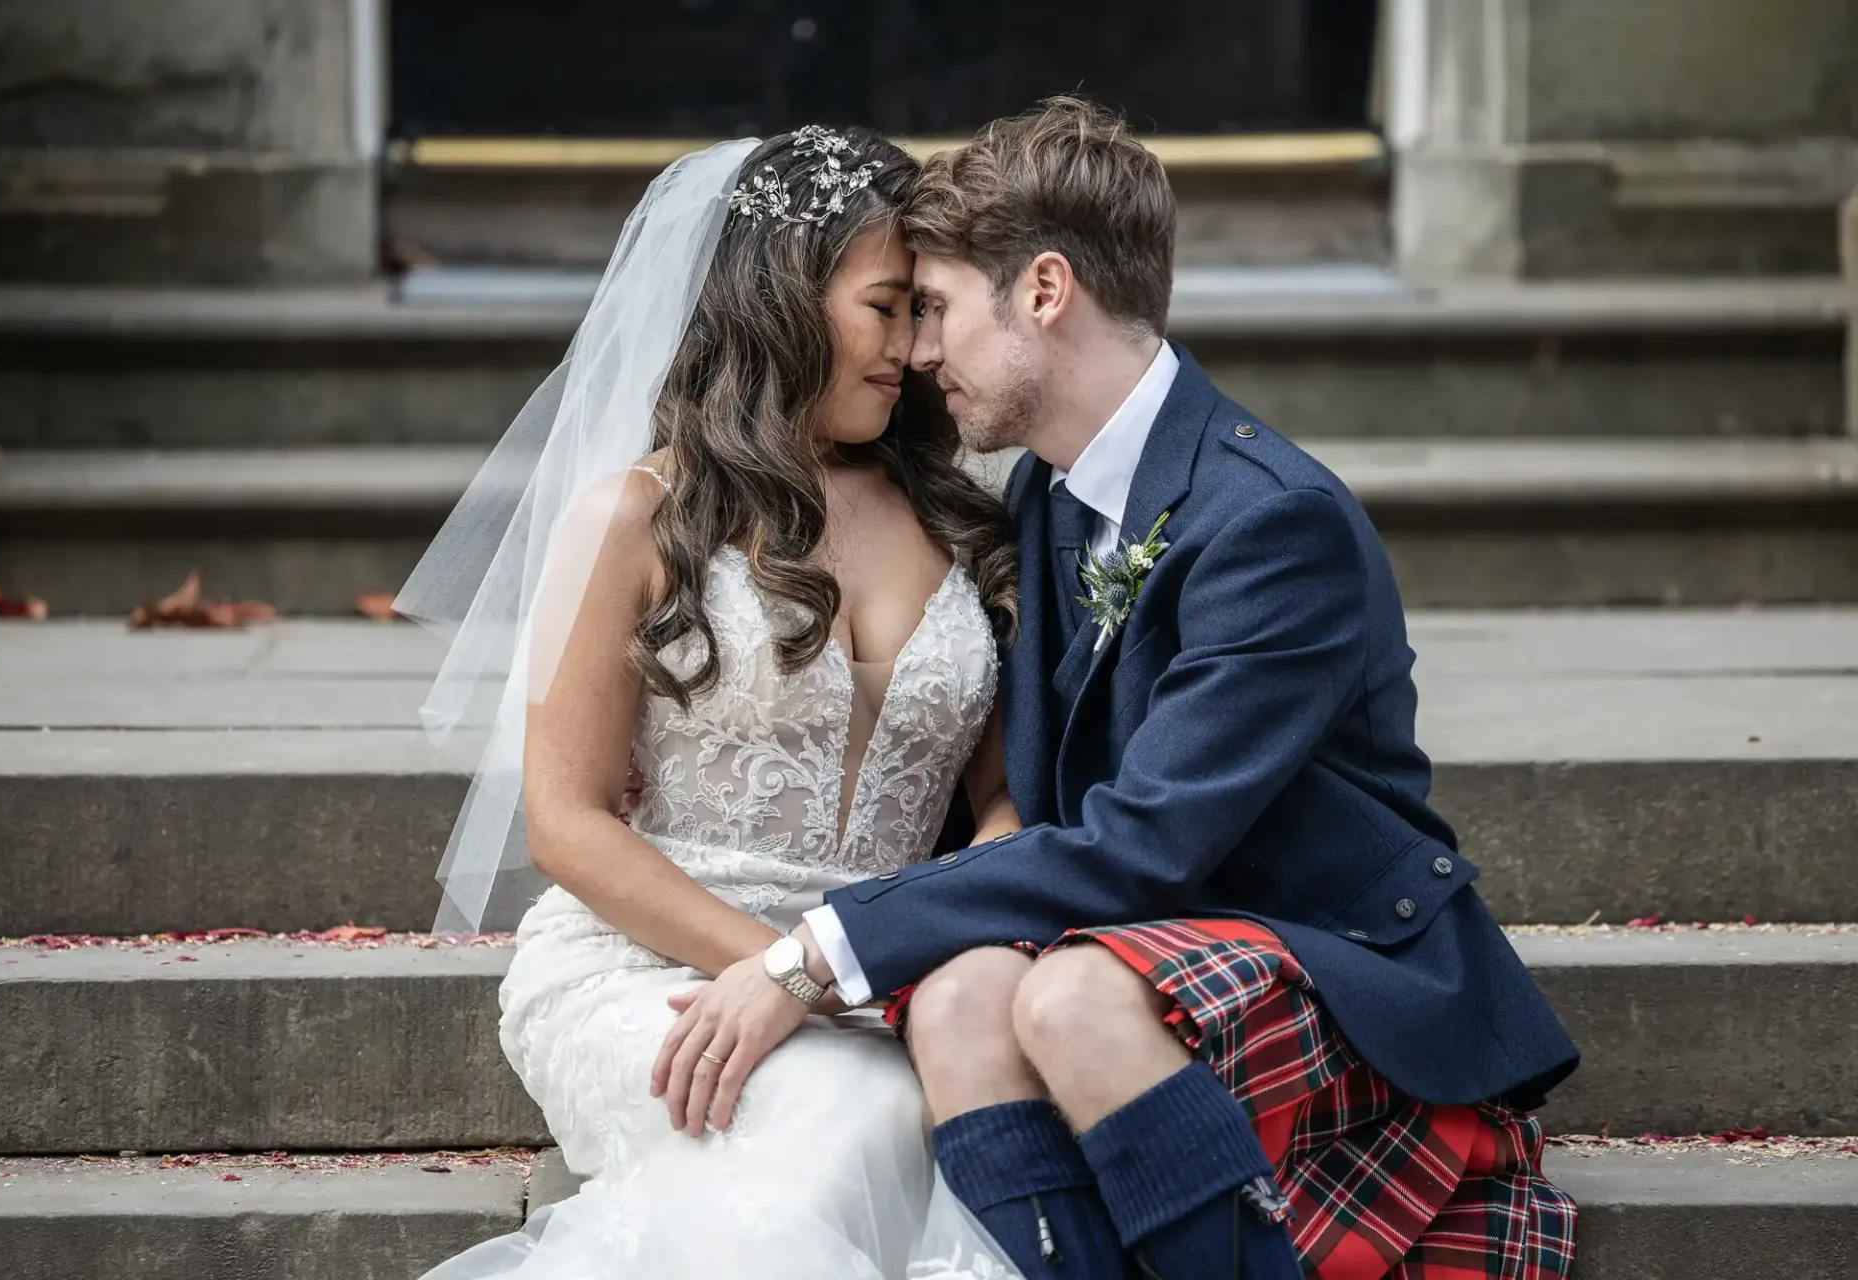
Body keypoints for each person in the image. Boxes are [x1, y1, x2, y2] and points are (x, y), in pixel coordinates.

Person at [655, 99, 1582, 1280]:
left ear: (1044, 291)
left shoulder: (1270, 522)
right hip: (1144, 933)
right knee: (957, 1001)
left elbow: (1147, 837)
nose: (922, 350)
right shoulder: (1047, 494)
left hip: (1331, 955)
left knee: (1072, 998)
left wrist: (811, 953)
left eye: (935, 308)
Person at [399, 127, 1024, 1277]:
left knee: (889, 1106)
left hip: (886, 969)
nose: (916, 346)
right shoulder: (636, 516)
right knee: (854, 1111)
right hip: (649, 963)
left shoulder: (964, 521)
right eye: (887, 306)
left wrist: (873, 956)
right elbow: (567, 820)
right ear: (785, 295)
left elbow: (1007, 802)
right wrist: (780, 974)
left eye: (927, 312)